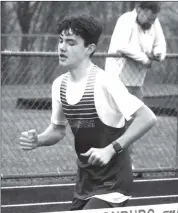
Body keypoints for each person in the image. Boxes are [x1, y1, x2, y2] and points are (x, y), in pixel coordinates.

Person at [20, 14, 157, 210]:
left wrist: (111, 149)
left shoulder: (106, 81)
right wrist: (39, 140)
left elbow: (147, 118)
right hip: (85, 182)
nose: (62, 47)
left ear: (89, 49)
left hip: (114, 182)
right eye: (60, 41)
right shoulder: (59, 85)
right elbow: (58, 130)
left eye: (71, 43)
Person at [105, 1, 166, 175]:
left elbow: (160, 44)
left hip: (136, 82)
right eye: (148, 17)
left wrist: (158, 55)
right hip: (118, 80)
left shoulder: (153, 22)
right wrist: (145, 59)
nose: (151, 22)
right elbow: (122, 46)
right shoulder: (126, 20)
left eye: (154, 19)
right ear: (139, 10)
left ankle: (125, 164)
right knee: (115, 124)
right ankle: (108, 164)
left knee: (134, 126)